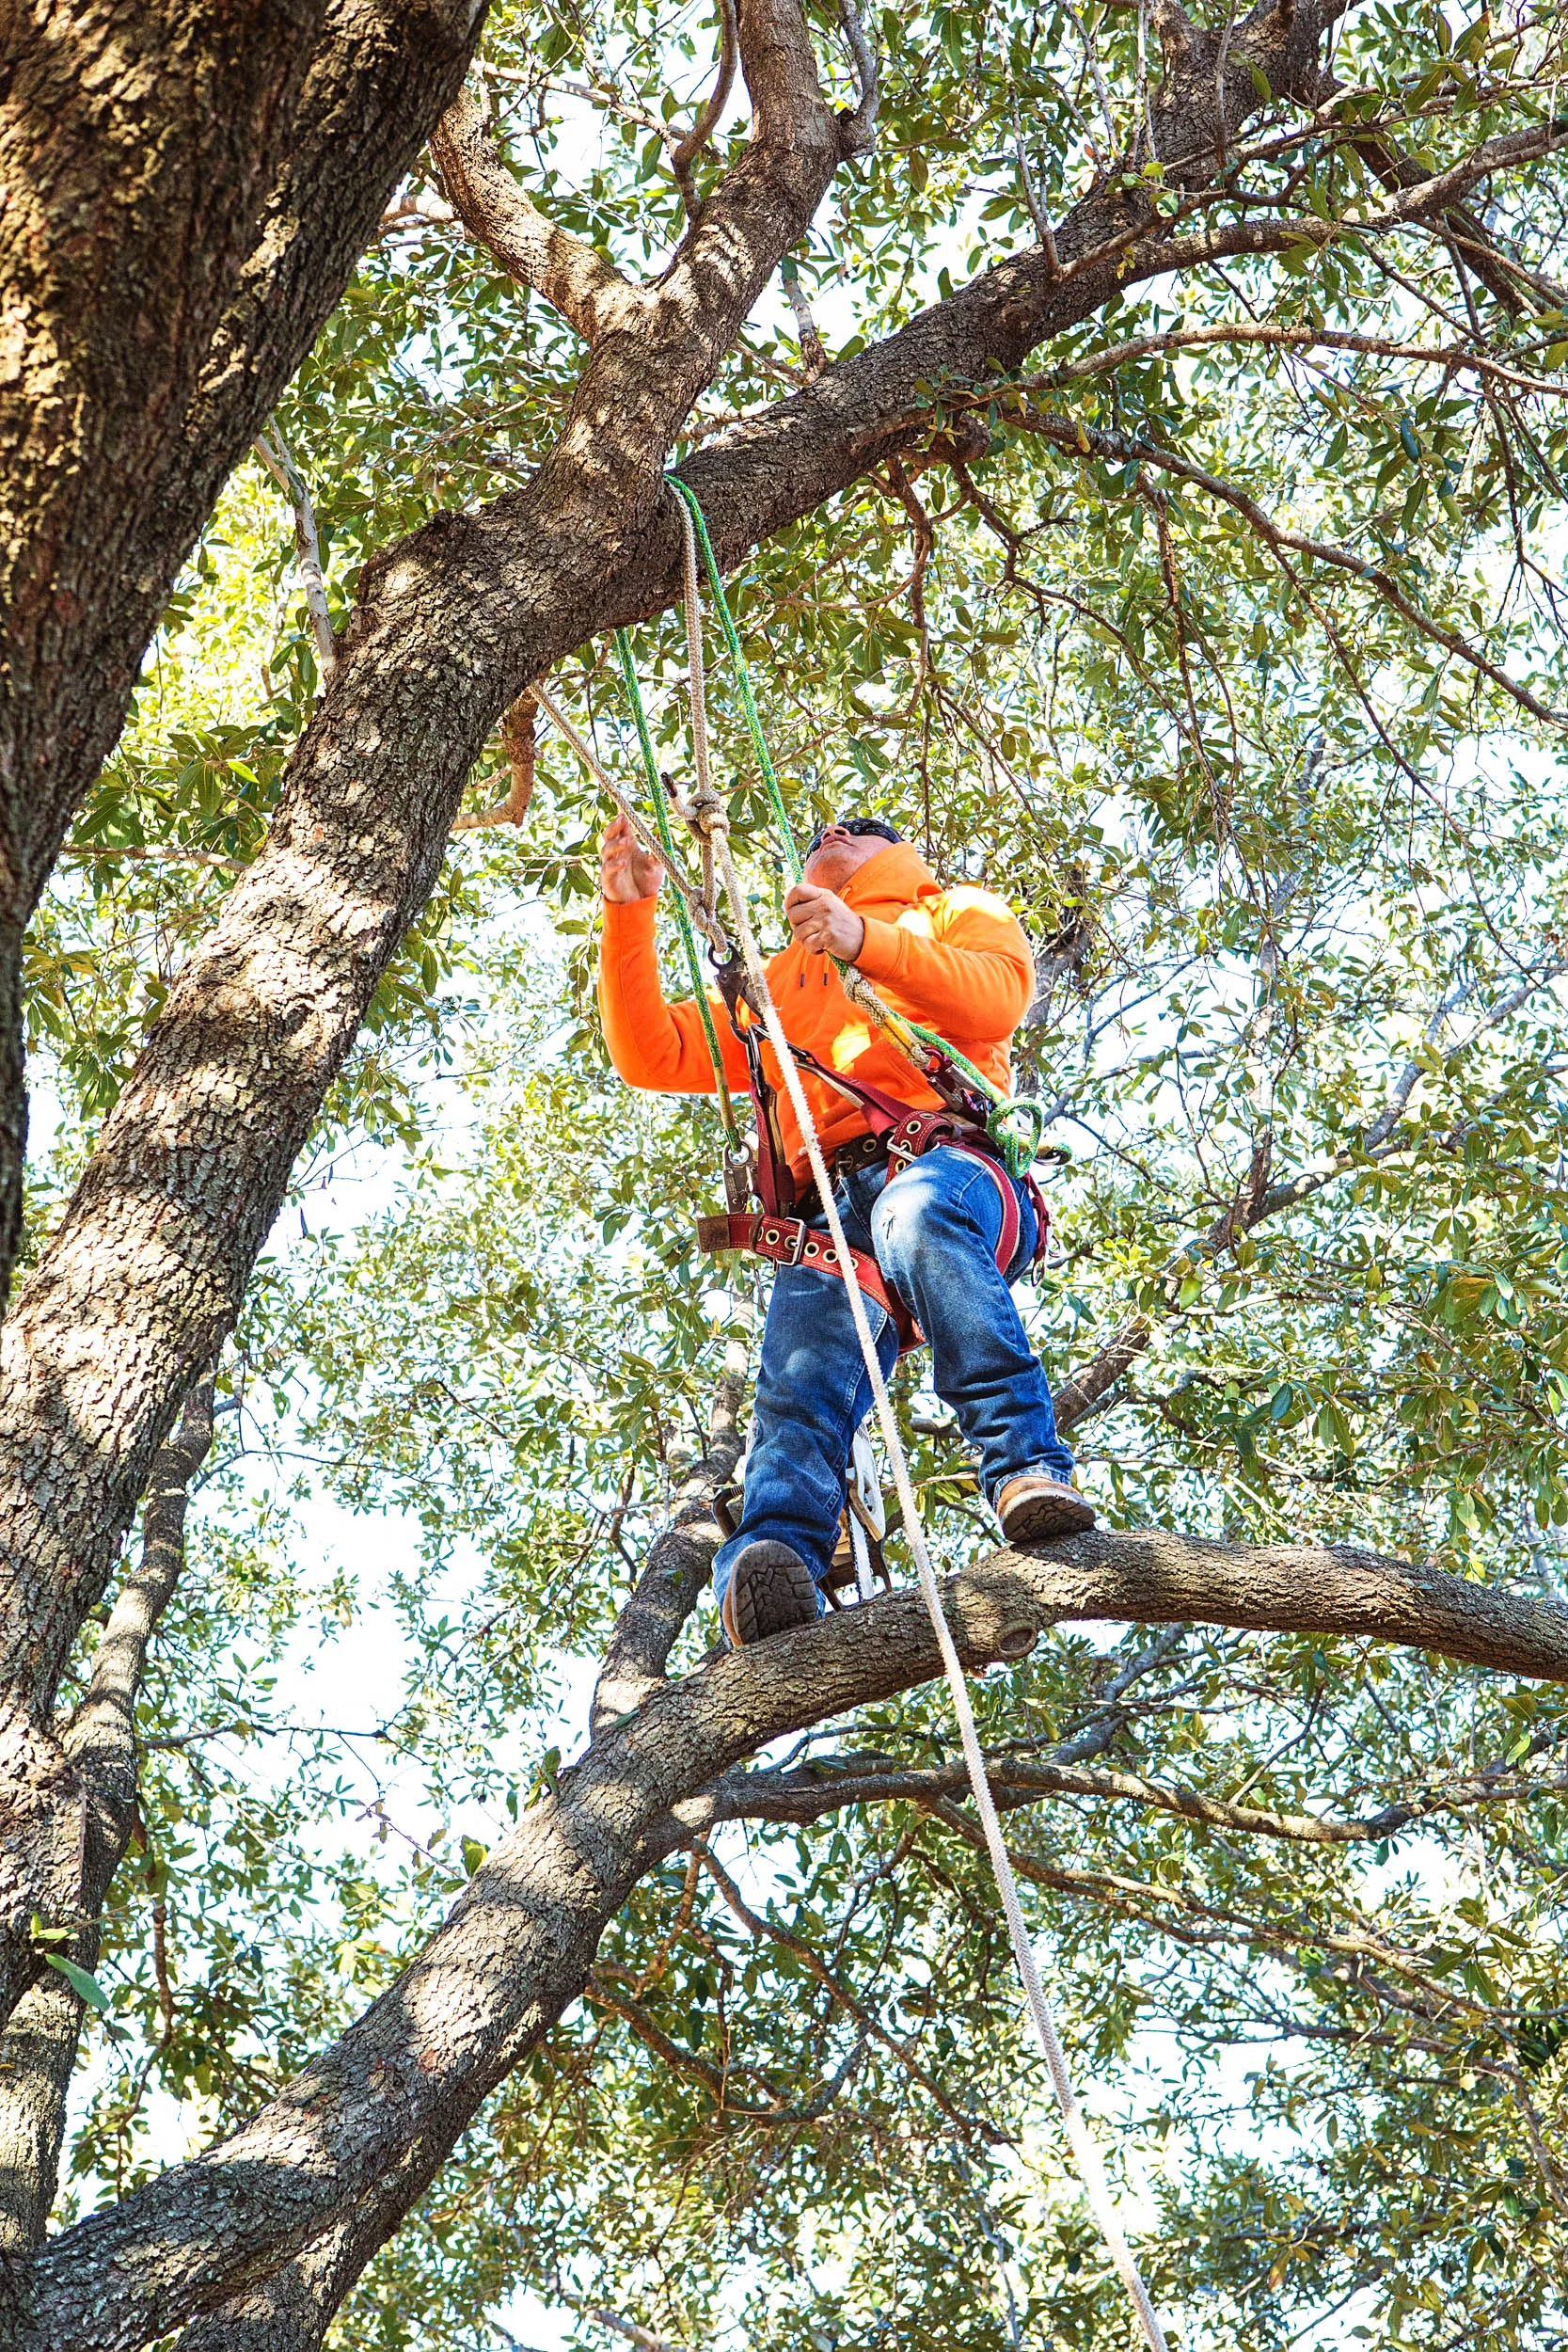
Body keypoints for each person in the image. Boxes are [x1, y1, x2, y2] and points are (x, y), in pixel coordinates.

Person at [597, 808, 1095, 1646]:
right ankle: (771, 1561)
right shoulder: (774, 986)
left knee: (915, 1212)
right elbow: (650, 1052)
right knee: (799, 1375)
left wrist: (863, 938)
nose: (830, 832)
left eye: (854, 828)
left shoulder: (949, 912)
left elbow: (999, 996)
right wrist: (627, 914)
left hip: (948, 1168)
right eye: (819, 831)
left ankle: (1024, 1468)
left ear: (898, 854)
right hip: (828, 1207)